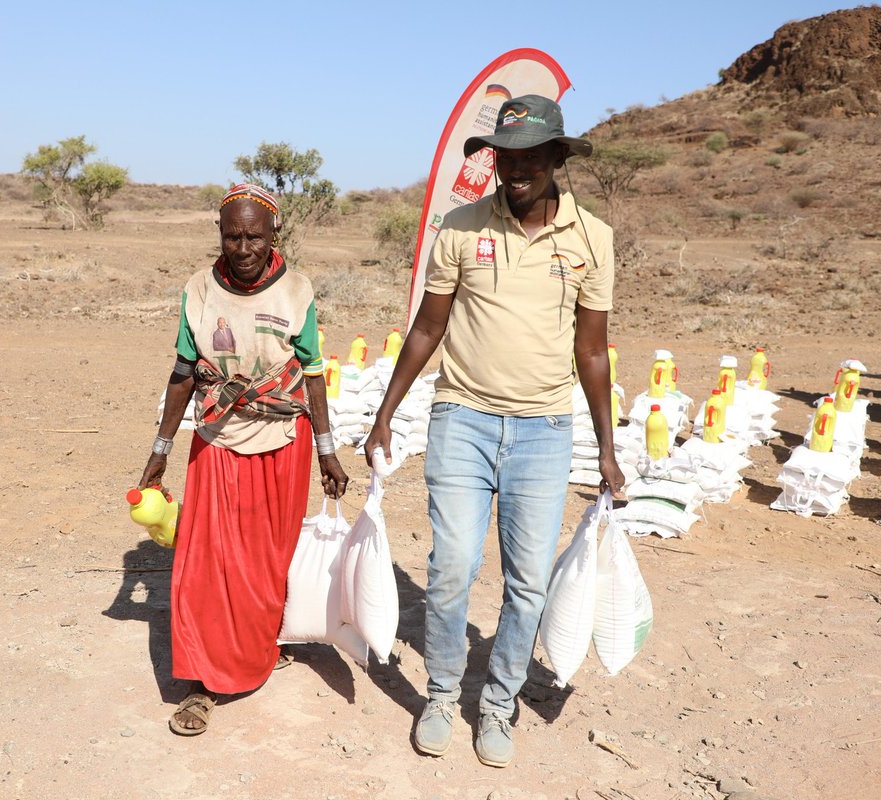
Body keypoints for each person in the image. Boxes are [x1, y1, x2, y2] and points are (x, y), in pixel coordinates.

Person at [363, 95, 624, 768]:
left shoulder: (592, 239)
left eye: (531, 158)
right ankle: (444, 694)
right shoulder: (459, 228)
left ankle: (499, 705)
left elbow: (591, 351)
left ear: (557, 159)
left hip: (543, 430)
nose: (516, 172)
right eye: (506, 160)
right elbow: (428, 327)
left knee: (528, 581)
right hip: (463, 420)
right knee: (450, 571)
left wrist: (609, 448)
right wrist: (386, 410)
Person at [138, 183, 348, 736]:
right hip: (217, 440)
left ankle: (257, 647)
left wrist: (328, 450)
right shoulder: (199, 291)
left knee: (264, 561)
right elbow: (184, 373)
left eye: (254, 235)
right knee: (207, 565)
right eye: (233, 236)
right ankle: (203, 683)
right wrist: (160, 450)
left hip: (282, 444)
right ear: (220, 235)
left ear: (273, 233)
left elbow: (314, 373)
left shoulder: (297, 291)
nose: (243, 247)